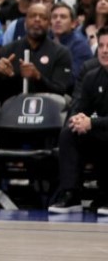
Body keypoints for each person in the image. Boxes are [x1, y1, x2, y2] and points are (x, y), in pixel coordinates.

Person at [47, 26, 108, 215]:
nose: (105, 51)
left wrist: (92, 123)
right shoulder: (92, 77)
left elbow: (93, 121)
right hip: (101, 133)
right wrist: (79, 119)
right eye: (101, 46)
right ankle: (71, 194)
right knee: (69, 133)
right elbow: (81, 109)